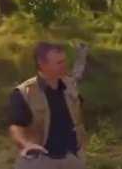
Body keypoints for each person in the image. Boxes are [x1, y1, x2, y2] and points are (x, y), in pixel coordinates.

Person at [9, 41, 88, 169]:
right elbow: (16, 126)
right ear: (42, 63)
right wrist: (26, 144)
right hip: (40, 161)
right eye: (59, 63)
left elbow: (78, 115)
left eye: (64, 61)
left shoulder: (70, 85)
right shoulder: (24, 92)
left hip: (72, 157)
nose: (64, 65)